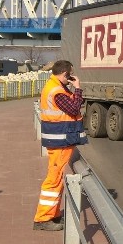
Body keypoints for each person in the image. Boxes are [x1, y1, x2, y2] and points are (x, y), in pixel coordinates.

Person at [33, 60, 87, 231]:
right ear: (65, 74)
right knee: (53, 180)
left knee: (56, 179)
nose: (71, 77)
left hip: (60, 139)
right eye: (70, 75)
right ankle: (43, 219)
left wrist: (73, 91)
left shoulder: (57, 87)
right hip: (60, 140)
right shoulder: (56, 91)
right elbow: (74, 108)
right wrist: (78, 88)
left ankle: (53, 214)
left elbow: (75, 104)